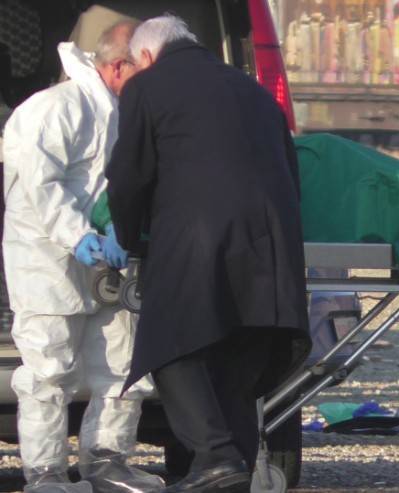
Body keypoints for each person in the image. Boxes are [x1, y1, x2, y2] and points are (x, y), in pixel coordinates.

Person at [106, 15, 311, 493]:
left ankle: (215, 457)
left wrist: (129, 237)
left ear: (146, 56)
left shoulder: (147, 87)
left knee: (170, 347)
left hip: (197, 241)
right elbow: (290, 169)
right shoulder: (255, 91)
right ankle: (231, 471)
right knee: (238, 362)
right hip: (270, 246)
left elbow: (130, 175)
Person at [2, 21, 163, 493]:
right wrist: (78, 236)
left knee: (122, 362)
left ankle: (107, 462)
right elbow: (40, 185)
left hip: (109, 262)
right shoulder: (54, 108)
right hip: (48, 260)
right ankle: (46, 473)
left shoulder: (124, 112)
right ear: (119, 66)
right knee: (49, 370)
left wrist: (122, 226)